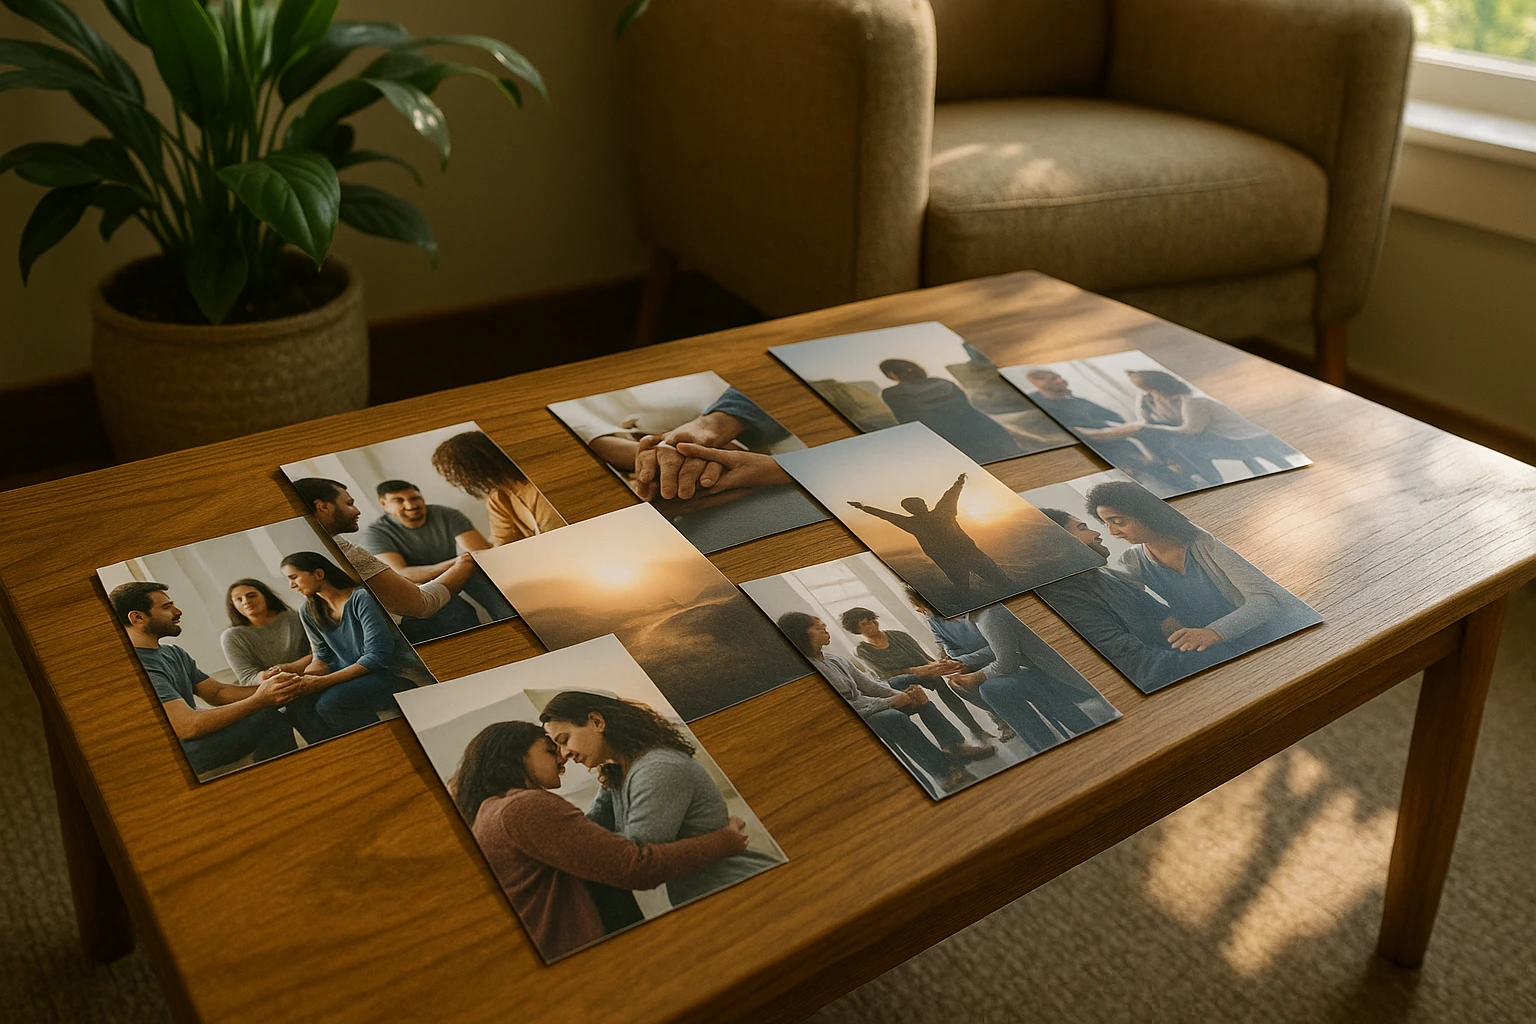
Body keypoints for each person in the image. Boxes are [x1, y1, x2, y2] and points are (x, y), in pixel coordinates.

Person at [453, 721, 751, 961]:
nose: (562, 757)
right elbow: (633, 866)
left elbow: (587, 843)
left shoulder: (492, 811)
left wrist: (610, 781)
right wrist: (723, 842)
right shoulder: (525, 807)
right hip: (590, 952)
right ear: (514, 756)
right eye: (549, 749)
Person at [540, 691, 782, 907]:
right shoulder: (617, 772)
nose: (565, 754)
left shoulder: (658, 768)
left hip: (746, 890)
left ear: (596, 721)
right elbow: (591, 831)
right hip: (711, 897)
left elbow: (637, 857)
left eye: (564, 740)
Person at [1085, 479, 1307, 651]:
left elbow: (1267, 601)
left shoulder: (1207, 544)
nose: (1113, 532)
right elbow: (1118, 597)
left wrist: (1213, 632)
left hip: (1267, 634)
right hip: (1207, 646)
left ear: (1146, 513)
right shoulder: (1131, 560)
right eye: (1106, 524)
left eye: (1118, 522)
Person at [110, 582, 298, 777]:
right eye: (167, 607)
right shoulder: (136, 666)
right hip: (172, 754)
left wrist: (281, 686)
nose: (178, 611)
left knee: (270, 712)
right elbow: (188, 727)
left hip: (191, 740)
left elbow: (217, 693)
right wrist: (260, 699)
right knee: (269, 718)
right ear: (138, 617)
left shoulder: (173, 653)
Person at [777, 611, 976, 795]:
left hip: (869, 704)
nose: (825, 629)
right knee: (892, 716)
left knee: (915, 694)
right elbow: (843, 706)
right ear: (802, 634)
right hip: (852, 719)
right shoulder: (805, 671)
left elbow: (870, 685)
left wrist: (904, 696)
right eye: (819, 627)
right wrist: (890, 702)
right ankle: (944, 772)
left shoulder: (833, 659)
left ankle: (955, 745)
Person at [1034, 509, 1228, 691]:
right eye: (1083, 528)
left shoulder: (1106, 576)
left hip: (1178, 662)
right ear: (1058, 541)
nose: (1097, 533)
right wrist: (1221, 656)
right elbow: (1139, 663)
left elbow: (1165, 618)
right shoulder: (1062, 599)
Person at [291, 477, 475, 621]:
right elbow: (422, 605)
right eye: (349, 503)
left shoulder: (445, 513)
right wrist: (464, 563)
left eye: (415, 498)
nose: (357, 511)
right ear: (322, 506)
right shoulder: (349, 550)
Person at [360, 480, 516, 642]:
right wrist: (459, 562)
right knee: (457, 614)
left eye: (415, 498)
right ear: (383, 503)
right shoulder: (376, 533)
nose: (410, 505)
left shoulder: (447, 514)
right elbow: (404, 574)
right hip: (421, 585)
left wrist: (464, 563)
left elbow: (481, 553)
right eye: (399, 500)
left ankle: (516, 634)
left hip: (461, 571)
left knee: (500, 594)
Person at [280, 551, 417, 736]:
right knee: (296, 702)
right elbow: (321, 655)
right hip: (345, 674)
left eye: (294, 577)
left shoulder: (361, 598)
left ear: (319, 574)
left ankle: (383, 739)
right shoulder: (307, 610)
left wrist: (322, 682)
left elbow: (378, 657)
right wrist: (304, 680)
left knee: (329, 705)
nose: (291, 585)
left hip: (380, 672)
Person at [1080, 370, 1296, 487]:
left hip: (1227, 438)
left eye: (1149, 388)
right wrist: (1146, 420)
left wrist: (1147, 427)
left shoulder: (1191, 400)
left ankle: (1101, 436)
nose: (1147, 392)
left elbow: (1191, 429)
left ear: (1160, 385)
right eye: (1143, 389)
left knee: (1143, 430)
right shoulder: (1147, 399)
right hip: (1197, 436)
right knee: (1142, 430)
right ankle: (1171, 463)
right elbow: (1146, 420)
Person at [840, 606, 996, 756]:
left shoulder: (898, 635)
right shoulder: (862, 650)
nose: (872, 625)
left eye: (872, 620)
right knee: (919, 683)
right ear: (856, 629)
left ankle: (976, 730)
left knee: (941, 681)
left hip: (923, 672)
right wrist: (914, 670)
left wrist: (939, 666)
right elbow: (882, 675)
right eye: (864, 624)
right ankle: (955, 742)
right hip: (895, 682)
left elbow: (925, 659)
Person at [948, 605, 1104, 753]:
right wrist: (961, 662)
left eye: (925, 607)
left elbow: (1006, 664)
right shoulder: (981, 616)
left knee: (992, 689)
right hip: (1040, 669)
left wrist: (974, 677)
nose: (924, 612)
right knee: (993, 688)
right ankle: (1059, 737)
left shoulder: (989, 615)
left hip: (1056, 673)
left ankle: (1047, 746)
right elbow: (1002, 643)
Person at [1022, 369, 1190, 492]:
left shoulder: (1076, 400)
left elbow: (1113, 416)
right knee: (1139, 452)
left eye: (1058, 376)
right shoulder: (1037, 403)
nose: (1059, 380)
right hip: (1091, 443)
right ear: (1037, 384)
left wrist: (1124, 428)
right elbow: (1077, 432)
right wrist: (1119, 431)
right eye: (1051, 379)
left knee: (1150, 434)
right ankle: (1173, 476)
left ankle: (1179, 472)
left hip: (1111, 436)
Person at [848, 473, 1014, 595]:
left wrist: (863, 507)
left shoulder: (912, 522)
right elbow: (950, 495)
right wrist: (959, 483)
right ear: (923, 505)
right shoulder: (940, 512)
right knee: (994, 580)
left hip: (952, 558)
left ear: (909, 510)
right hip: (965, 553)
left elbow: (886, 515)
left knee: (968, 587)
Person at [901, 586, 1017, 743]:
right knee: (956, 682)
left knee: (973, 679)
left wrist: (962, 658)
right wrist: (950, 661)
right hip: (968, 661)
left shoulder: (969, 611)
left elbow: (993, 646)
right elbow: (947, 648)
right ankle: (1002, 719)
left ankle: (1009, 717)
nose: (917, 610)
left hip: (993, 656)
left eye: (917, 604)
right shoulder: (933, 620)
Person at [877, 358, 1045, 463]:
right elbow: (970, 409)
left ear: (891, 373)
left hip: (951, 443)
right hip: (987, 433)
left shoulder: (891, 394)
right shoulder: (943, 382)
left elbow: (908, 424)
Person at [431, 430, 566, 545]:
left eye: (456, 470)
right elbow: (502, 543)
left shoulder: (539, 483)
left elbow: (555, 534)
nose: (455, 478)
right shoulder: (497, 499)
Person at [219, 579, 311, 685]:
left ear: (265, 596)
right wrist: (267, 676)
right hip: (272, 689)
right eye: (239, 599)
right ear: (233, 606)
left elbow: (320, 653)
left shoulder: (294, 617)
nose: (246, 601)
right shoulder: (232, 636)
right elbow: (247, 679)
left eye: (251, 596)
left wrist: (289, 668)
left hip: (310, 676)